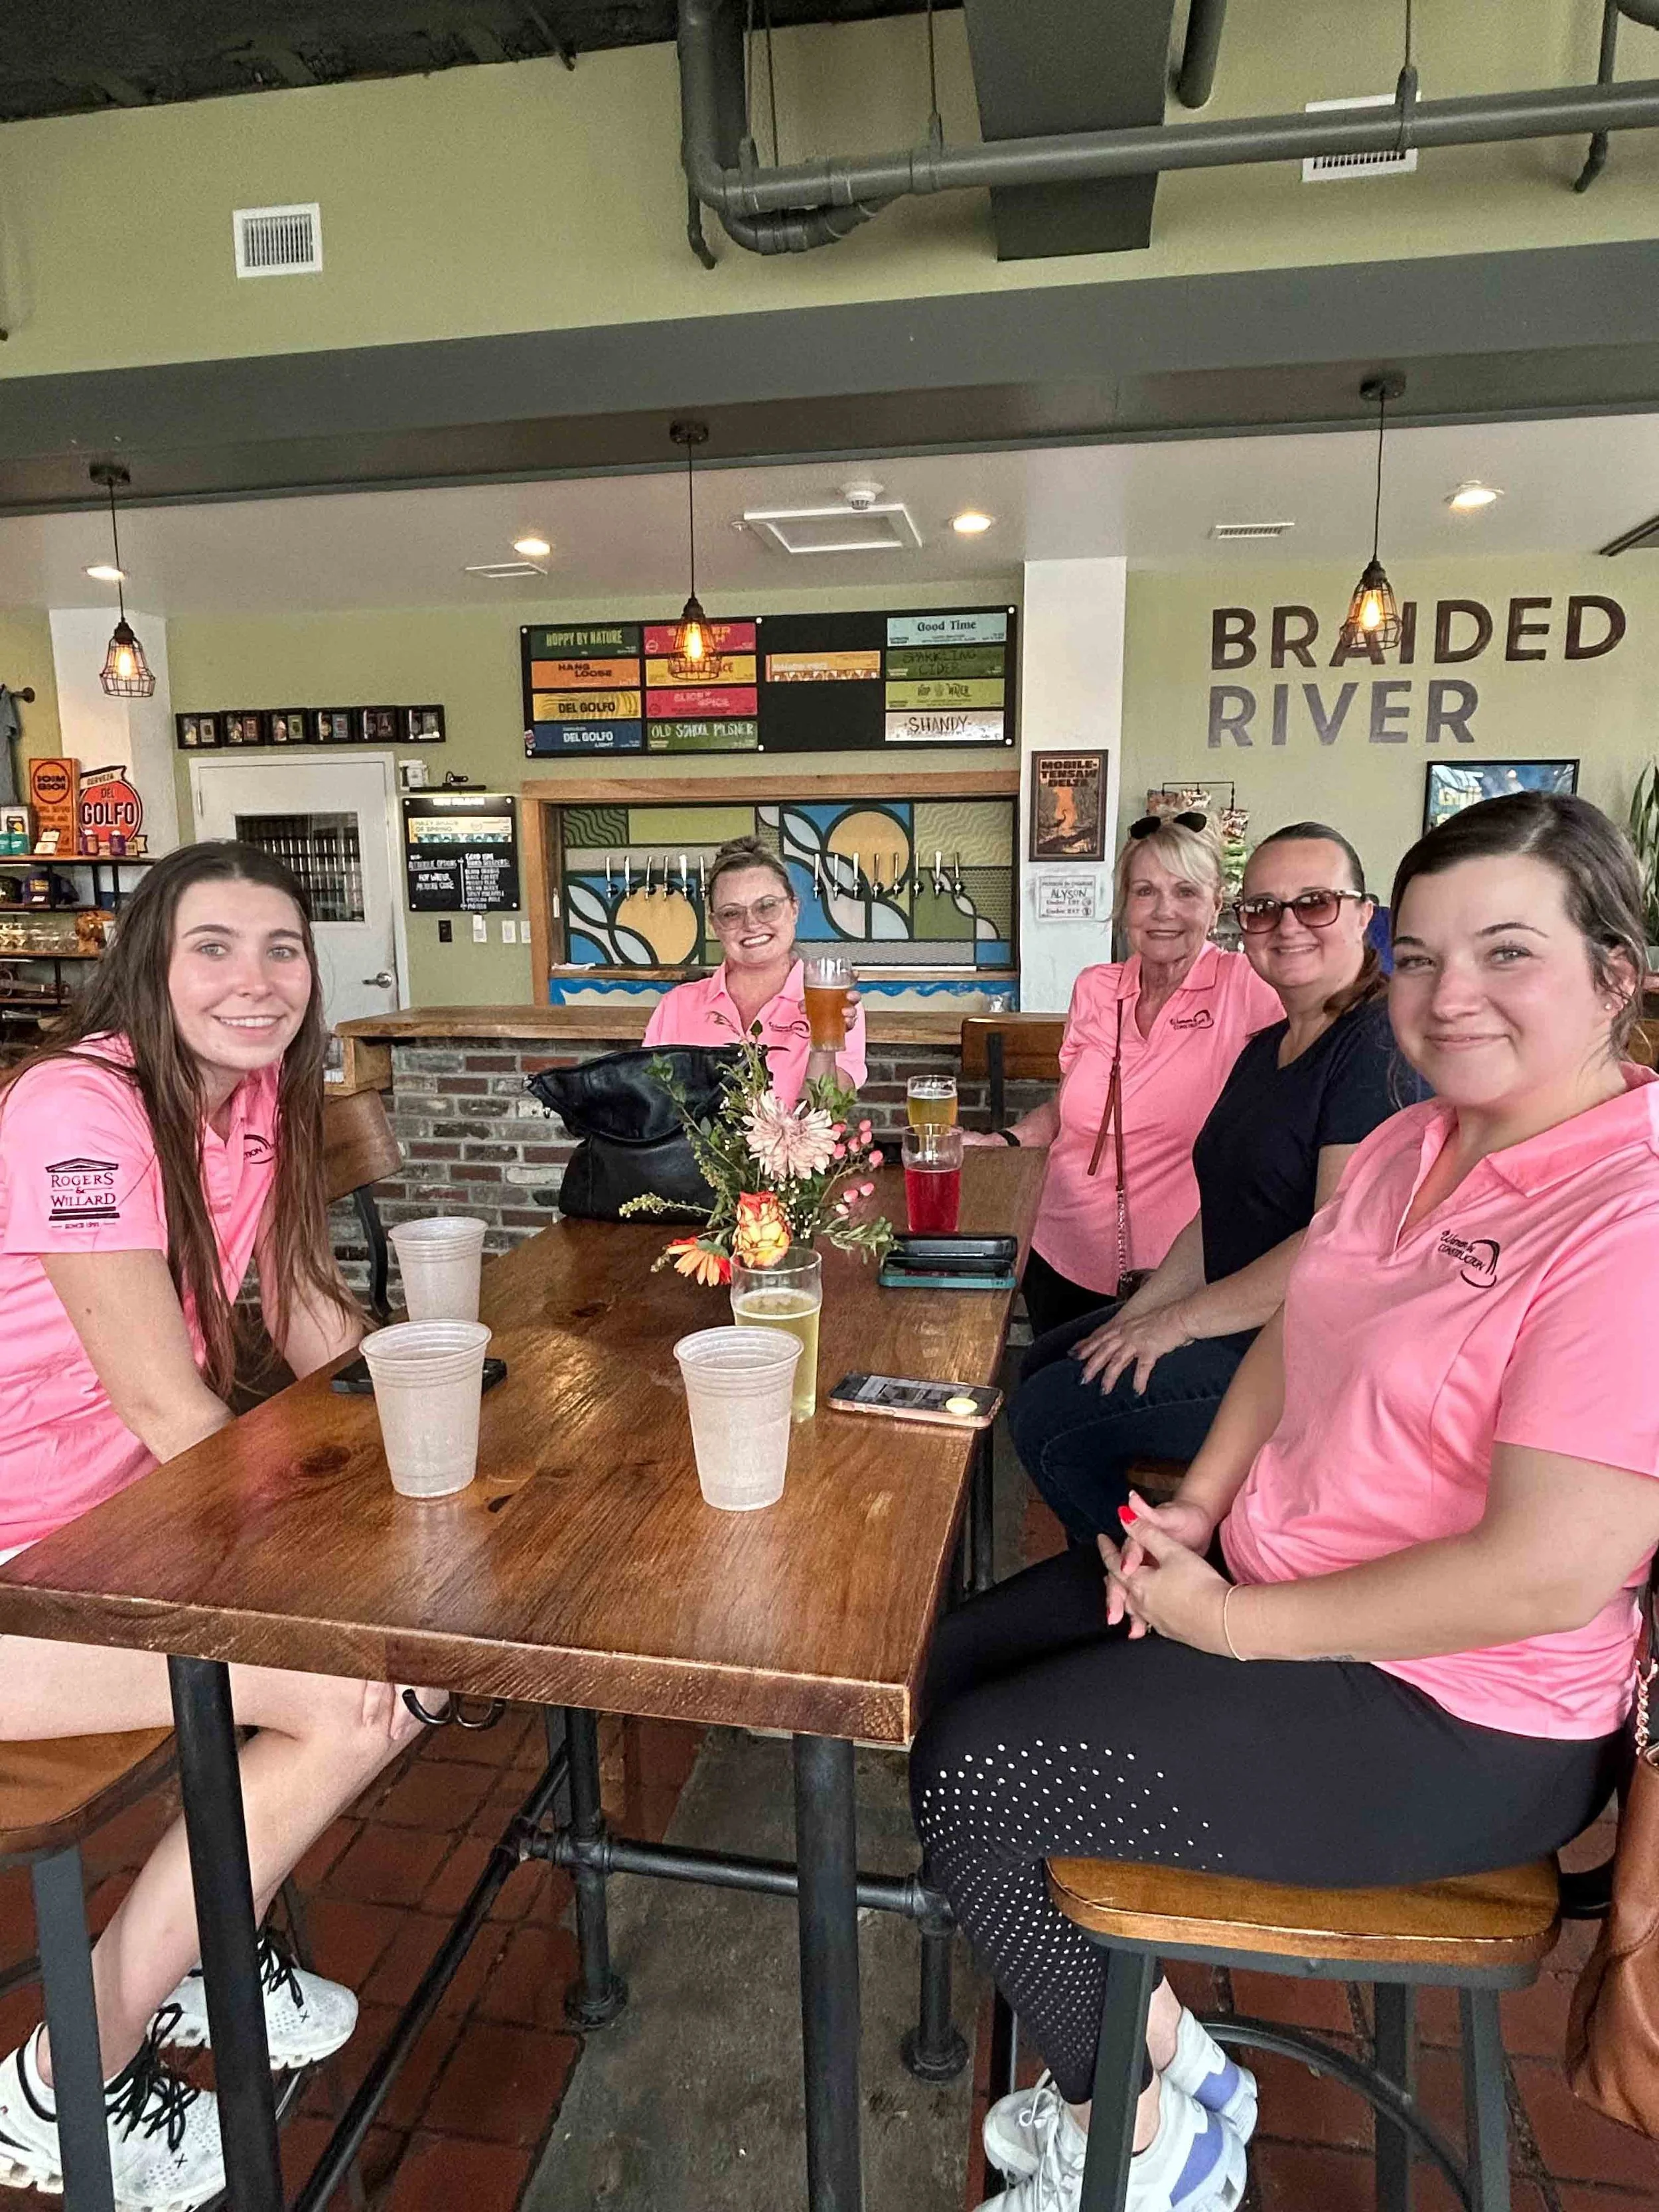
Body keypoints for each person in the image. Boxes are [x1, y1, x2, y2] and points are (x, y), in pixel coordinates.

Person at [912, 790, 1658, 2212]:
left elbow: (1546, 1573)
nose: (1449, 995)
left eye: (1506, 953)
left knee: (983, 1776)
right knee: (937, 1666)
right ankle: (1163, 2067)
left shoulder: (1625, 1208)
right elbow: (1291, 1330)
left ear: (1611, 973)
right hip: (1261, 1572)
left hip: (1457, 1705)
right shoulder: (1411, 1140)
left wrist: (1231, 1626)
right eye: (1424, 956)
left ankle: (1147, 2147)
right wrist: (1192, 1509)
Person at [0, 842, 435, 2212]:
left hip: (118, 1536)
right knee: (366, 1694)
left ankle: (193, 1947)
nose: (255, 979)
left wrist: (436, 1412)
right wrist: (342, 1541)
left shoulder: (252, 1098)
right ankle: (64, 2081)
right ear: (147, 961)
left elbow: (309, 1315)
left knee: (407, 1661)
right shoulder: (76, 1105)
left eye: (282, 949)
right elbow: (166, 1400)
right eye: (214, 946)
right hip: (25, 1568)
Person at [1008, 820, 1417, 1544]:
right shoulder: (1270, 1046)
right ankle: (1121, 1556)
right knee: (1043, 1362)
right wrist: (1146, 1313)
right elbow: (1218, 1208)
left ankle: (1147, 1581)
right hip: (1226, 1318)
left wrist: (1175, 1323)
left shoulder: (1375, 1047)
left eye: (1314, 903)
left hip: (1296, 1360)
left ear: (1364, 915)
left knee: (1045, 1416)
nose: (1285, 926)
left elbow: (1331, 1247)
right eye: (1264, 909)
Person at [964, 812, 1281, 1340]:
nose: (1164, 912)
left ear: (1216, 905)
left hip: (1175, 1274)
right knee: (1051, 1397)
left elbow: (1329, 1018)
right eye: (1145, 891)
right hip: (1058, 1249)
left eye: (1185, 892)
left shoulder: (1245, 987)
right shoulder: (1096, 987)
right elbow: (1068, 1112)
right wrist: (1001, 1140)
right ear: (1124, 907)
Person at [642, 835, 867, 1104]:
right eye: (731, 913)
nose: (751, 924)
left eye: (767, 906)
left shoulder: (833, 1002)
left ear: (794, 909)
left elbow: (826, 1116)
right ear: (715, 925)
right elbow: (651, 1112)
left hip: (799, 1148)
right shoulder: (676, 1007)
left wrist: (823, 1045)